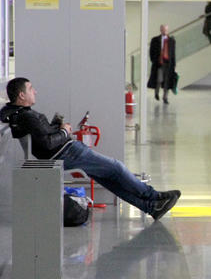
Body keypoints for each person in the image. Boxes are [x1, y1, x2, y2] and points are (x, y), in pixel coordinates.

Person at [0, 78, 181, 221]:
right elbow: (47, 143)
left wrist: (56, 127)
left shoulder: (17, 113)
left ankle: (151, 208)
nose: (35, 91)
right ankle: (154, 196)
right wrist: (64, 131)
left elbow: (42, 137)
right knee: (116, 168)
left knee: (109, 180)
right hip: (68, 152)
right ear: (21, 95)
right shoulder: (27, 116)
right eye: (31, 88)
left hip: (64, 152)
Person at [147, 24, 176, 104]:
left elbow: (173, 53)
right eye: (163, 30)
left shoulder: (171, 41)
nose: (164, 31)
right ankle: (156, 92)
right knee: (159, 79)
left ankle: (165, 97)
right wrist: (154, 60)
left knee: (167, 81)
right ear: (161, 30)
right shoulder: (155, 40)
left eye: (166, 30)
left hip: (168, 64)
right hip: (159, 63)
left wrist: (173, 64)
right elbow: (151, 52)